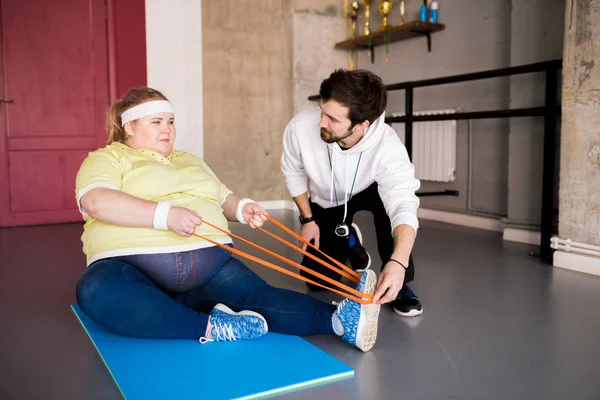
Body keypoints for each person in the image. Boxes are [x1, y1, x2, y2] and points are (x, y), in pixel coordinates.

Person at [74, 87, 382, 352]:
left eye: (170, 121)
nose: (167, 129)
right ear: (129, 127)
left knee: (260, 296)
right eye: (156, 122)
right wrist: (165, 216)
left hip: (210, 265)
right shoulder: (108, 158)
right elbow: (96, 201)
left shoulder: (189, 160)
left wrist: (242, 207)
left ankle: (342, 321)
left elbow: (222, 197)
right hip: (132, 266)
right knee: (96, 291)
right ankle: (209, 325)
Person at [280, 69, 423, 317]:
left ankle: (400, 283)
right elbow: (293, 172)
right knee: (317, 282)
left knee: (392, 212)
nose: (321, 123)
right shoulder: (300, 128)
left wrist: (399, 262)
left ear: (361, 125)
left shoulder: (388, 146)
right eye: (322, 111)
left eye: (332, 119)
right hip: (329, 197)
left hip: (371, 189)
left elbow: (403, 205)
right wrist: (308, 219)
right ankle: (350, 240)